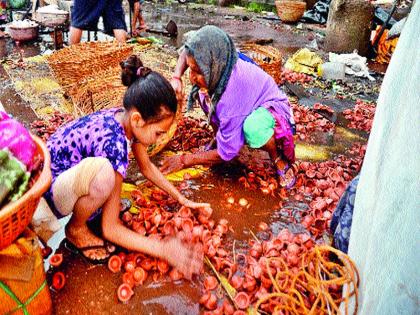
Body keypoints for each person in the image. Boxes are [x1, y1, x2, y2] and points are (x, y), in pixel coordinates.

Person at [43, 55, 210, 279]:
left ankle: (96, 203)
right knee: (105, 178)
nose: (160, 139)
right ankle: (76, 228)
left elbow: (146, 167)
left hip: (59, 174)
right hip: (47, 192)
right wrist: (164, 250)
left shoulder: (124, 117)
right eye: (159, 133)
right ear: (138, 120)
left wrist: (181, 199)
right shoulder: (115, 145)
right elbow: (110, 229)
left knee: (107, 178)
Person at [161, 25, 296, 188]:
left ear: (213, 65)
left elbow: (228, 154)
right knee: (203, 95)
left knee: (253, 128)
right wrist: (176, 77)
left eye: (198, 71)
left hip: (272, 107)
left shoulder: (231, 94)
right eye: (191, 69)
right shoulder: (220, 61)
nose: (192, 78)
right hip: (243, 102)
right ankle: (221, 137)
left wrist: (184, 160)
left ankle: (277, 158)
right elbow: (186, 52)